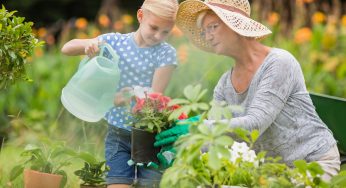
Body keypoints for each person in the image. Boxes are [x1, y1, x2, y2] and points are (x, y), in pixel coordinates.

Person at [154, 0, 341, 181]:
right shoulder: (225, 84)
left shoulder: (279, 62)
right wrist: (182, 150)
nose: (208, 36)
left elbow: (255, 123)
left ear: (235, 25)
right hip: (272, 173)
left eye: (213, 27)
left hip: (313, 163)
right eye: (204, 32)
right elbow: (216, 135)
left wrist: (196, 128)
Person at [61, 0, 179, 187]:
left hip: (148, 136)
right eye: (154, 27)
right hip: (118, 134)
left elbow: (154, 100)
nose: (158, 36)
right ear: (140, 16)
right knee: (117, 182)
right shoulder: (115, 42)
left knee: (149, 184)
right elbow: (66, 48)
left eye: (165, 32)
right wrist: (90, 44)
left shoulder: (166, 54)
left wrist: (129, 97)